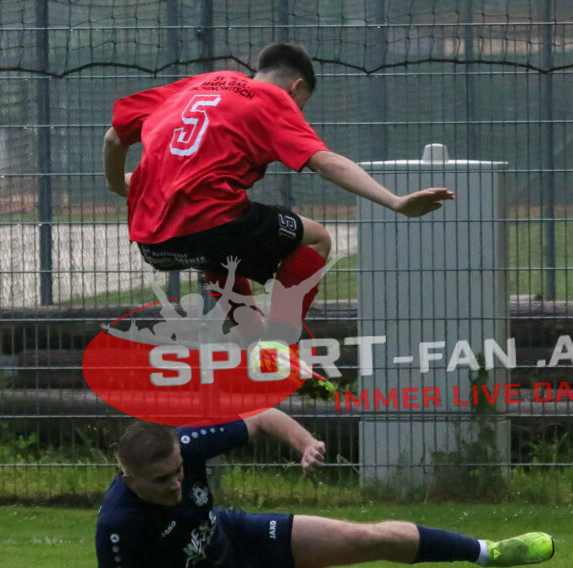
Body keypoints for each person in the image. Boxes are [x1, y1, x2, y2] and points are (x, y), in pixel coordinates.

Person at [102, 42, 455, 347]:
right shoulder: (272, 99)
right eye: (301, 104)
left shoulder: (195, 85)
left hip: (151, 243)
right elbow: (325, 162)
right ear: (296, 86)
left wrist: (121, 187)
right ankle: (276, 349)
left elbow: (114, 138)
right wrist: (395, 201)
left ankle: (255, 342)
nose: (297, 114)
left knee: (221, 258)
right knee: (316, 238)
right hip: (213, 225)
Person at [95, 413, 556, 568]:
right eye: (162, 480)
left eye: (179, 470)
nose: (177, 483)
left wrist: (305, 441)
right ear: (129, 478)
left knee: (367, 536)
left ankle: (487, 551)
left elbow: (262, 418)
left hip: (238, 535)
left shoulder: (186, 443)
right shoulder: (118, 524)